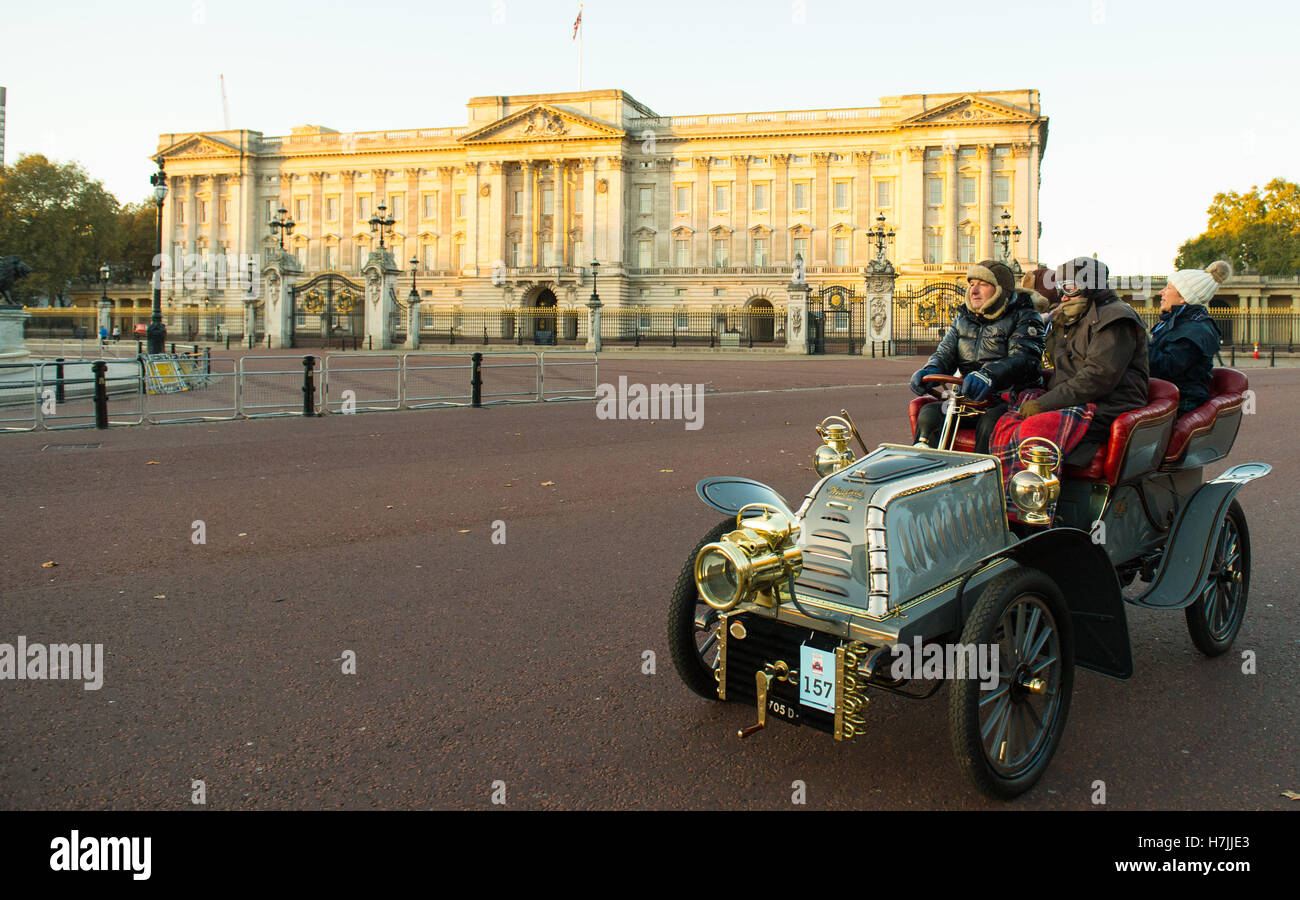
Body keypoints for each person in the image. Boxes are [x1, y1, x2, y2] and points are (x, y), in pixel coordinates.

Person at [991, 256, 1149, 486]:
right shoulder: (1076, 315)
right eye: (1061, 288)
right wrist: (1054, 325)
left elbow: (1097, 378)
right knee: (1002, 420)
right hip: (1076, 398)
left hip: (1109, 404)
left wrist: (1044, 404)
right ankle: (1003, 495)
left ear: (1090, 287)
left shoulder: (1117, 317)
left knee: (1035, 428)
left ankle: (1032, 507)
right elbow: (1060, 364)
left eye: (1070, 287)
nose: (1063, 296)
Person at [908, 260, 1045, 452]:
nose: (973, 291)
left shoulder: (1026, 316)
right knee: (929, 414)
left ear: (1000, 290)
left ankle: (983, 477)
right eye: (972, 284)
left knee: (990, 423)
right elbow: (944, 353)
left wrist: (988, 375)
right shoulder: (962, 318)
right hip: (969, 399)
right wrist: (931, 369)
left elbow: (1024, 359)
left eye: (982, 284)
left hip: (1009, 398)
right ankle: (929, 469)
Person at [1150, 260, 1228, 416]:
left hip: (1179, 404)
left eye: (1169, 288)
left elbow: (1166, 367)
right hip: (1167, 396)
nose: (1162, 292)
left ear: (1183, 298)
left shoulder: (1194, 329)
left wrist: (1137, 344)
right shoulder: (1181, 321)